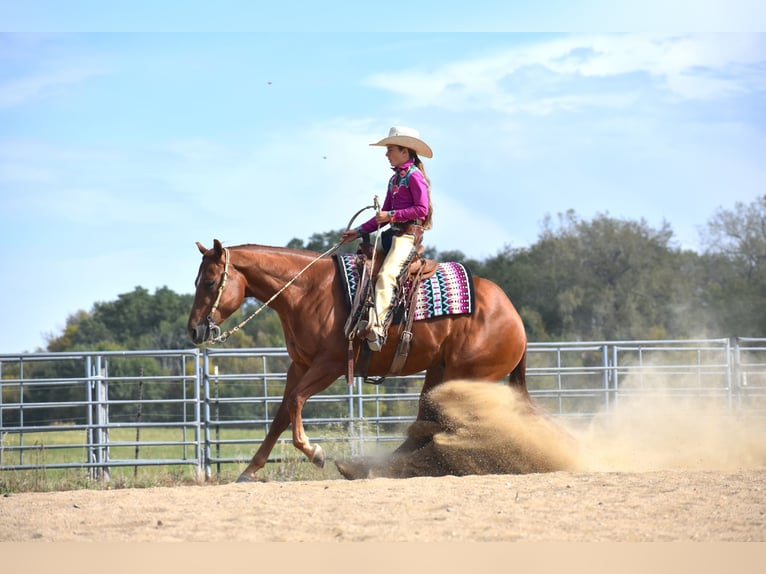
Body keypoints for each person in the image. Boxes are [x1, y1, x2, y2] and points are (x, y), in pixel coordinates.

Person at [341, 126, 433, 351]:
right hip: (391, 234)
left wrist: (391, 215)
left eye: (390, 149)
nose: (386, 154)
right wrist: (360, 231)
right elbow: (382, 216)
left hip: (407, 236)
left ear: (405, 151)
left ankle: (378, 327)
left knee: (386, 275)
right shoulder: (394, 180)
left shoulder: (414, 177)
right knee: (360, 265)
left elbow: (421, 210)